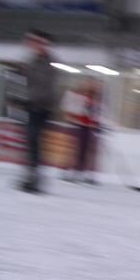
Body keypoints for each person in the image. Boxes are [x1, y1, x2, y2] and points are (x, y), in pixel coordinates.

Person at [19, 29, 58, 193]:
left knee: (34, 140)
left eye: (37, 42)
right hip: (33, 107)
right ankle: (30, 176)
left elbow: (44, 88)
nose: (32, 45)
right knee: (30, 141)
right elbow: (28, 84)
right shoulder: (33, 61)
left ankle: (34, 178)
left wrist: (30, 99)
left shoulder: (47, 64)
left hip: (41, 108)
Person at [60, 78, 102, 184]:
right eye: (90, 85)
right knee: (75, 150)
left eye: (93, 86)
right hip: (77, 125)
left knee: (85, 151)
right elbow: (70, 108)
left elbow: (97, 113)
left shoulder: (95, 99)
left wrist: (96, 123)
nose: (91, 88)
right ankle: (69, 171)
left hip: (88, 127)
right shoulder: (79, 96)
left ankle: (81, 172)